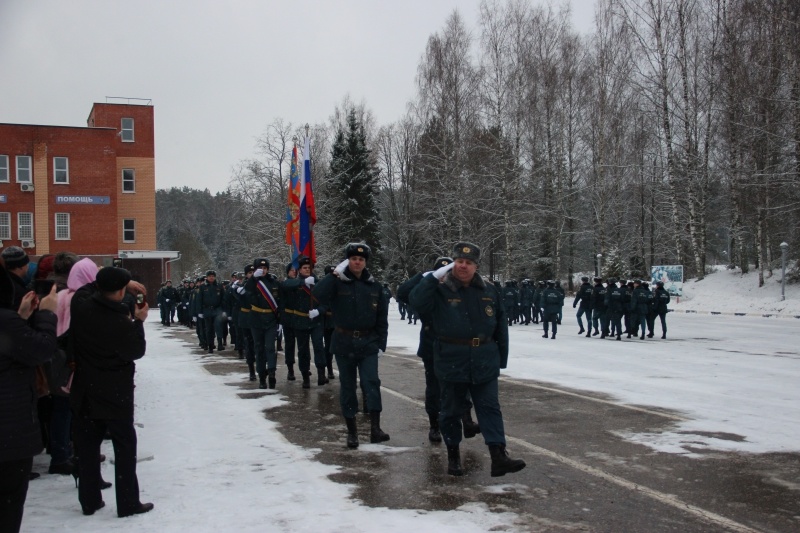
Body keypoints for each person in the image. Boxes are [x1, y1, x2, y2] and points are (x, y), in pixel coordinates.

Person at [410, 242, 525, 477]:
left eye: (469, 263)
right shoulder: (440, 289)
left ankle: (498, 456)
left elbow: (500, 325)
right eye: (459, 262)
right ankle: (453, 456)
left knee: (490, 408)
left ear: (476, 266)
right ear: (453, 264)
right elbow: (415, 302)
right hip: (452, 358)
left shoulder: (488, 290)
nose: (463, 266)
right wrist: (432, 278)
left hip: (484, 359)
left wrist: (500, 359)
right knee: (451, 411)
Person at [69, 266, 153, 518]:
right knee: (124, 446)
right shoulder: (119, 322)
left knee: (87, 447)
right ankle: (128, 502)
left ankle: (89, 498)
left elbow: (87, 287)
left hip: (85, 387)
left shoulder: (82, 308)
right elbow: (135, 351)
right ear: (119, 292)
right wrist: (138, 321)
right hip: (115, 390)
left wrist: (120, 283)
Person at [0, 257, 59, 533]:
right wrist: (46, 314)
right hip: (9, 429)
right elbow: (42, 349)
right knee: (10, 502)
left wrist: (20, 318)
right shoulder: (6, 322)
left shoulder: (9, 323)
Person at [313, 243, 389, 449]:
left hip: (368, 342)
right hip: (344, 342)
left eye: (361, 259)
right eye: (354, 259)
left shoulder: (374, 286)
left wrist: (382, 343)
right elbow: (317, 294)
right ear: (348, 261)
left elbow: (382, 318)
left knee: (371, 382)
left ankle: (375, 429)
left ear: (365, 263)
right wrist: (333, 274)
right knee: (347, 386)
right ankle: (352, 431)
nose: (357, 262)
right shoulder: (338, 283)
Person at [398, 256, 480, 444]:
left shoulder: (456, 291)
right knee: (434, 389)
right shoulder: (426, 294)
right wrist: (424, 276)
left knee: (462, 385)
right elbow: (402, 293)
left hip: (455, 348)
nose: (444, 278)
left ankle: (466, 421)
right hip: (431, 347)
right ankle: (434, 425)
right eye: (440, 274)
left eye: (447, 273)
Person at [282, 256, 328, 388]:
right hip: (300, 320)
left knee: (319, 346)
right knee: (303, 350)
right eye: (305, 268)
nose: (307, 270)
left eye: (309, 268)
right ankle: (305, 376)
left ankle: (321, 373)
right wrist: (302, 283)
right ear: (300, 270)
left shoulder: (318, 283)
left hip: (316, 321)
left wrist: (319, 310)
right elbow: (285, 285)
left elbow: (326, 302)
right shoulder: (295, 283)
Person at [245, 258, 282, 389]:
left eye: (265, 268)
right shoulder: (253, 282)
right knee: (259, 349)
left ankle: (271, 372)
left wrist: (280, 320)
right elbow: (245, 292)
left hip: (270, 319)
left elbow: (280, 300)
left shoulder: (273, 282)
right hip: (256, 319)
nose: (263, 270)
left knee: (270, 347)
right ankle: (261, 376)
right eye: (260, 268)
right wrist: (253, 279)